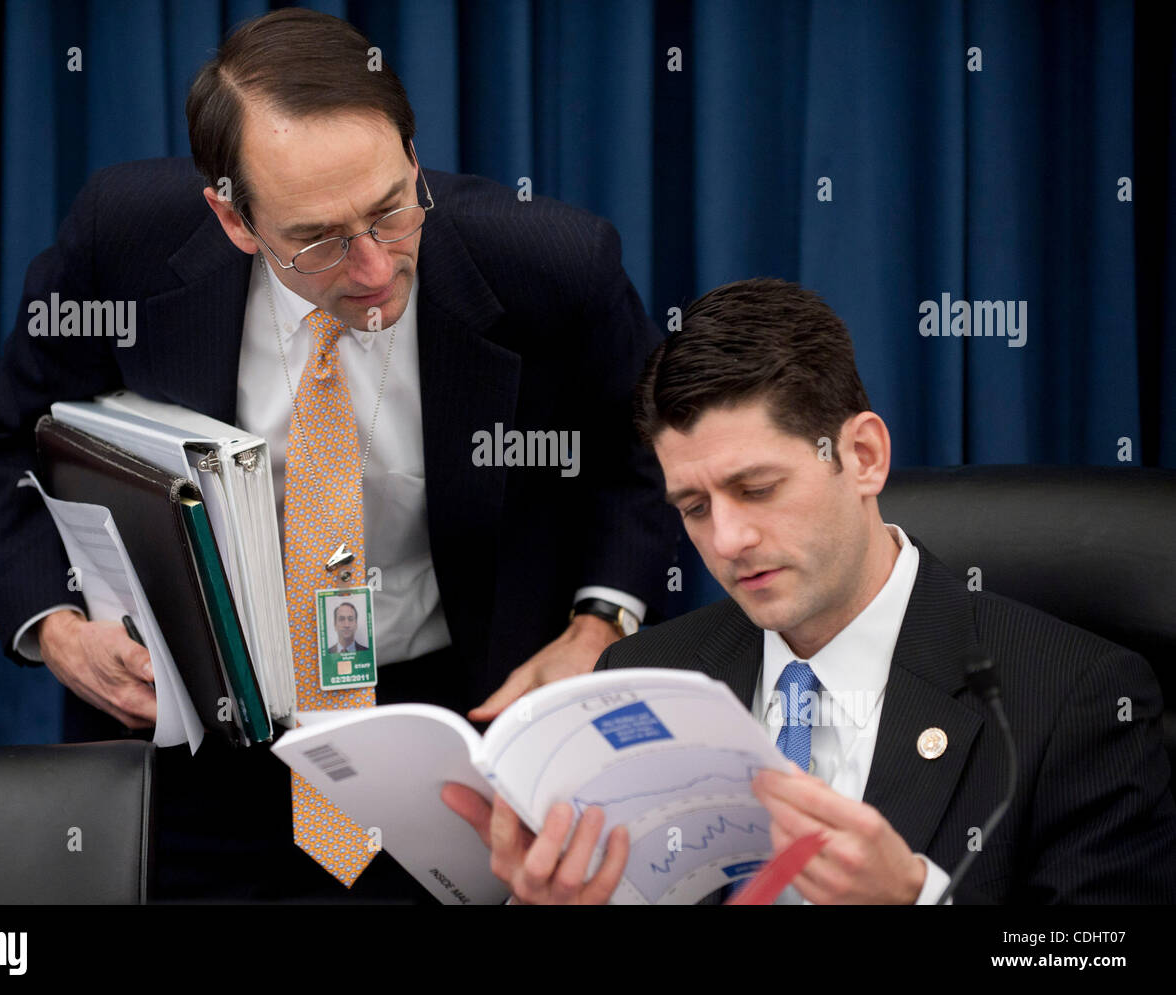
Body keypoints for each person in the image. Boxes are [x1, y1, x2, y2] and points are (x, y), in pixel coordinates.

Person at [0, 8, 677, 901]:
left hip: (451, 732)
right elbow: (14, 442)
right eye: (317, 239)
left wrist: (599, 626)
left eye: (392, 209)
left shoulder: (550, 262)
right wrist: (58, 628)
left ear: (414, 157)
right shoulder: (124, 240)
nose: (376, 268)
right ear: (232, 217)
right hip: (193, 735)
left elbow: (647, 457)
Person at [444, 277, 1176, 904]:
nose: (727, 540)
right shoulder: (643, 678)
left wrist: (916, 898)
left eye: (756, 489)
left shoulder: (1076, 695)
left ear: (862, 456)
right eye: (694, 508)